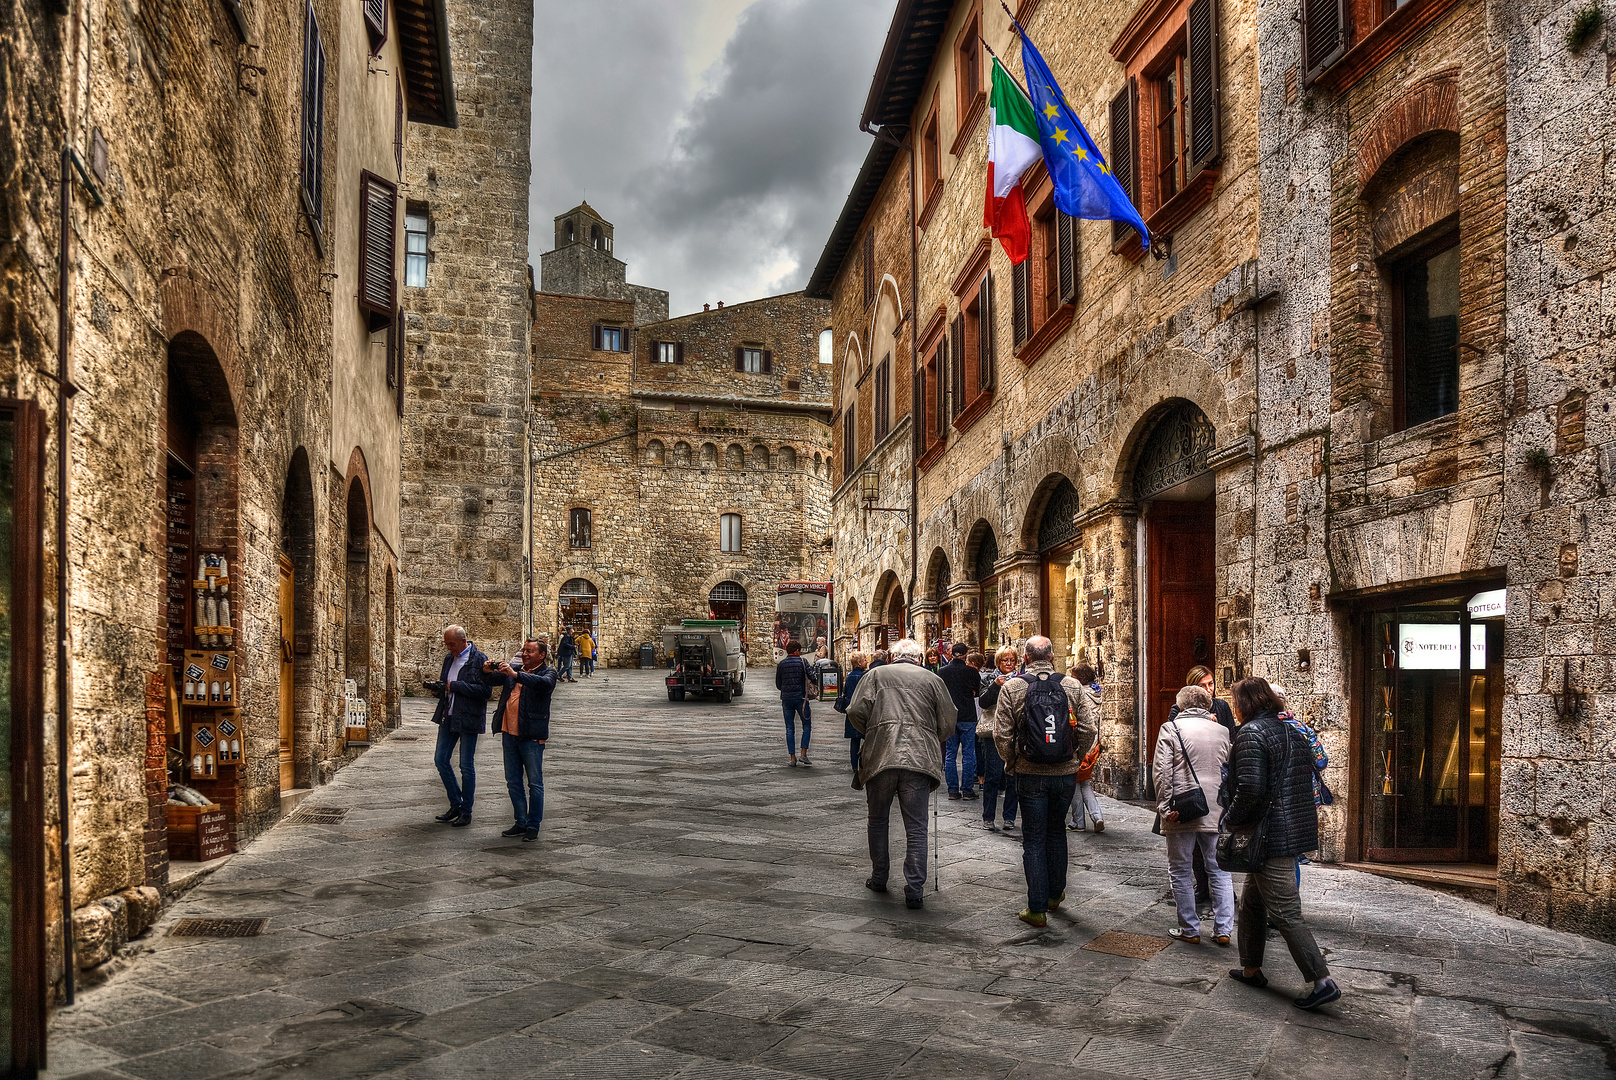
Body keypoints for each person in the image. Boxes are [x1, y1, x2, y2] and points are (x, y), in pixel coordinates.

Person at [1224, 676, 1341, 1011]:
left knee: (1286, 911)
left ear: (1245, 703)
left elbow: (1250, 788)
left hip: (1270, 834)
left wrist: (1231, 819)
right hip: (1291, 828)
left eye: (1236, 701)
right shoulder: (1293, 728)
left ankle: (1322, 980)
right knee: (1252, 904)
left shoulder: (1250, 733)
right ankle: (1251, 968)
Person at [845, 637, 956, 909]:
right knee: (917, 827)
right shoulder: (932, 680)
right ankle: (915, 888)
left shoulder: (875, 675)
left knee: (878, 820)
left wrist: (873, 731)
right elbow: (948, 720)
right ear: (918, 659)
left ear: (893, 657)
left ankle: (879, 876)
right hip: (918, 758)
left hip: (880, 756)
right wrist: (930, 736)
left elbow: (855, 711)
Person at [994, 636, 1096, 928]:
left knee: (1034, 839)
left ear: (1025, 659)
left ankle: (1036, 909)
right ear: (1052, 657)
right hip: (1064, 772)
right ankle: (1054, 895)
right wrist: (1075, 756)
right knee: (1057, 833)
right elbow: (1088, 728)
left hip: (1030, 772)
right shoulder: (1072, 686)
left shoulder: (1013, 687)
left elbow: (1002, 735)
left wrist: (1012, 762)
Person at [1155, 684, 1234, 945]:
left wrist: (1165, 808)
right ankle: (1223, 929)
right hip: (1216, 807)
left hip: (1183, 806)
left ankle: (1189, 928)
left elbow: (1163, 772)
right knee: (1219, 869)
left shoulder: (1171, 729)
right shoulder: (1222, 731)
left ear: (1182, 705)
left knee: (1180, 869)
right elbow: (1228, 770)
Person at [485, 639, 558, 841]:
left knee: (534, 783)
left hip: (531, 736)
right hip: (509, 733)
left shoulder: (548, 673)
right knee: (513, 781)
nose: (525, 654)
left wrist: (516, 675)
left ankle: (533, 825)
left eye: (530, 651)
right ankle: (520, 821)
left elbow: (543, 685)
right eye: (523, 650)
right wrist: (487, 670)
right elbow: (490, 681)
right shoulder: (514, 669)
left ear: (541, 655)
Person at [426, 625, 491, 827]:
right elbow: (446, 684)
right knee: (441, 759)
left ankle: (467, 811)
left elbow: (485, 692)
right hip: (449, 715)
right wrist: (439, 689)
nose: (449, 648)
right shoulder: (448, 659)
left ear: (463, 641)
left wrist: (454, 686)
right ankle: (456, 802)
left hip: (469, 717)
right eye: (446, 644)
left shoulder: (479, 660)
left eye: (451, 644)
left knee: (466, 765)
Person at [977, 646, 1020, 834]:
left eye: (1012, 660)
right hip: (993, 732)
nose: (1009, 664)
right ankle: (988, 817)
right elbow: (983, 702)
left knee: (1013, 778)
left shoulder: (1021, 679)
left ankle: (1009, 817)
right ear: (998, 662)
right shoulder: (988, 678)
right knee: (993, 776)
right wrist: (996, 685)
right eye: (1005, 660)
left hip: (1015, 733)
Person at [937, 642, 981, 801]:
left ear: (951, 654)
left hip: (949, 715)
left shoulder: (942, 672)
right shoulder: (971, 672)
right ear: (965, 655)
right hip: (967, 715)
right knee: (969, 754)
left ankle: (953, 790)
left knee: (950, 754)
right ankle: (967, 790)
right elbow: (976, 692)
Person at [1067, 664, 1106, 833]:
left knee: (1075, 784)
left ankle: (1078, 821)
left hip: (1080, 744)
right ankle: (1097, 816)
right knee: (1085, 783)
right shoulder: (1097, 693)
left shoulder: (1080, 695)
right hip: (1093, 746)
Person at [776, 639, 814, 766]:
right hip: (801, 699)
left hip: (786, 699)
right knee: (807, 725)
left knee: (789, 728)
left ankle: (792, 757)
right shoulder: (803, 662)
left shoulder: (781, 664)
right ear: (797, 651)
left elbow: (778, 684)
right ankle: (803, 753)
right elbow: (813, 677)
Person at [838, 651, 870, 770]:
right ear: (859, 663)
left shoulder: (849, 676)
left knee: (854, 740)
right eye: (865, 660)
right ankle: (864, 762)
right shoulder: (866, 676)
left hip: (851, 710)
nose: (867, 662)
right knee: (867, 737)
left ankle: (854, 765)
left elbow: (846, 692)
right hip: (863, 710)